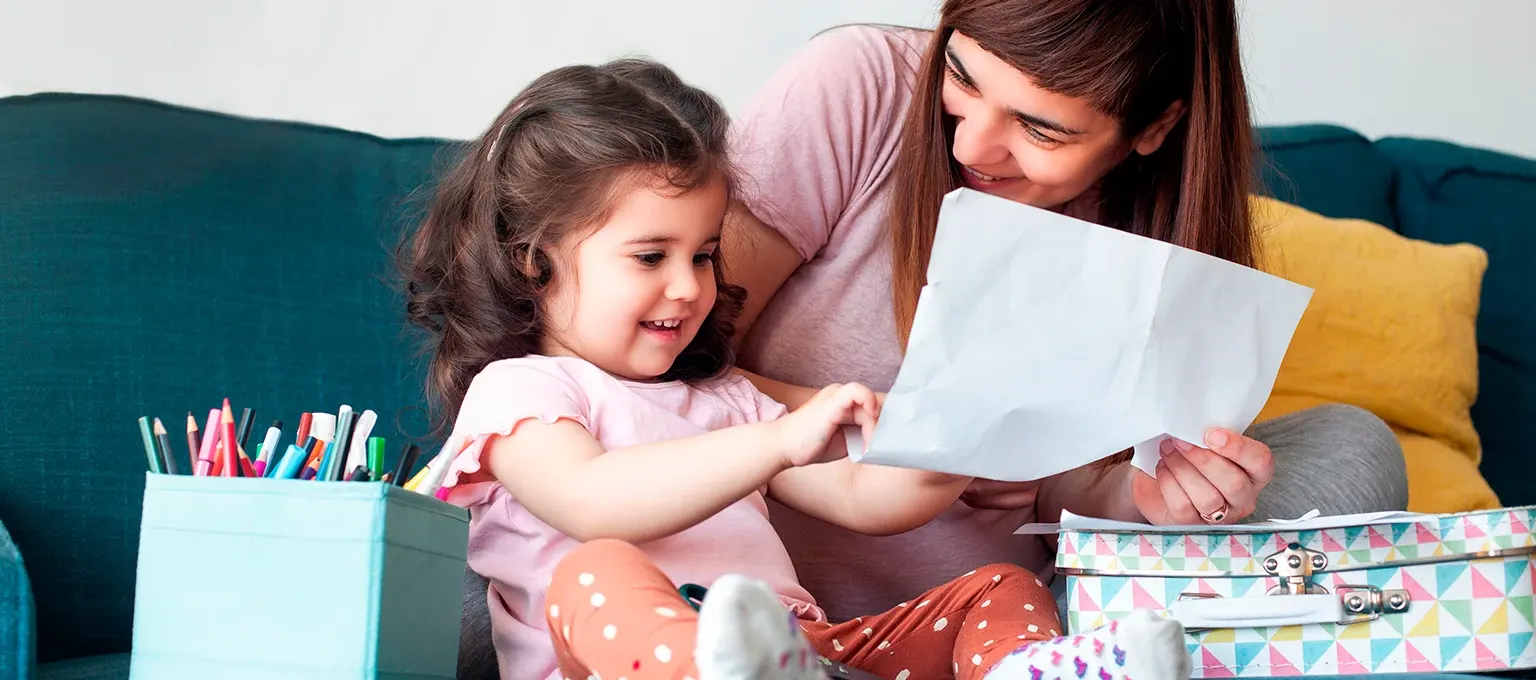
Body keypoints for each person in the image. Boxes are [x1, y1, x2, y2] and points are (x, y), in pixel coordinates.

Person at [400, 58, 1193, 680]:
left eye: (704, 254)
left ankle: (1037, 673)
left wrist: (970, 423)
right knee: (595, 570)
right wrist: (778, 444)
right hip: (615, 665)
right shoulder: (519, 393)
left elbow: (865, 494)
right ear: (533, 263)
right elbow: (593, 501)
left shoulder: (724, 398)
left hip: (807, 654)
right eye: (651, 256)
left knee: (995, 585)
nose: (690, 286)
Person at [723, 0, 1410, 624]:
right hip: (772, 605)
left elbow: (1059, 496)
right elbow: (655, 366)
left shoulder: (1151, 224)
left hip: (1018, 618)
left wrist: (1151, 498)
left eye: (1039, 128)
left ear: (1155, 126)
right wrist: (882, 425)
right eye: (961, 76)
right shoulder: (855, 89)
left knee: (1351, 443)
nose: (969, 146)